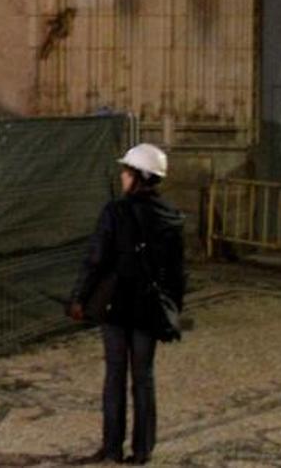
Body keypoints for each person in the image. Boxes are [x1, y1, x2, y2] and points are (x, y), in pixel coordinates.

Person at [68, 143, 185, 465]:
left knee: (115, 375)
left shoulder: (115, 212)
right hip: (149, 307)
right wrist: (173, 308)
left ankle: (111, 447)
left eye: (126, 171)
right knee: (143, 378)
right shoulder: (171, 216)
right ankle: (143, 450)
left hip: (117, 306)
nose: (122, 176)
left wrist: (79, 297)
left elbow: (96, 260)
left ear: (138, 176)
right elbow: (177, 273)